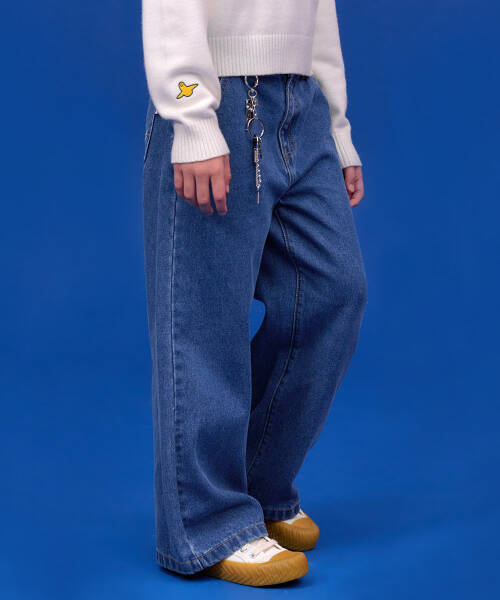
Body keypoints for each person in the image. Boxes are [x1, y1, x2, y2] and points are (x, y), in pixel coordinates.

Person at [141, 0, 367, 587]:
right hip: (218, 97)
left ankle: (257, 487)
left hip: (302, 102)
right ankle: (208, 522)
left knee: (332, 293)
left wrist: (337, 127)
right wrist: (192, 114)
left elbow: (318, 11)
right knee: (203, 319)